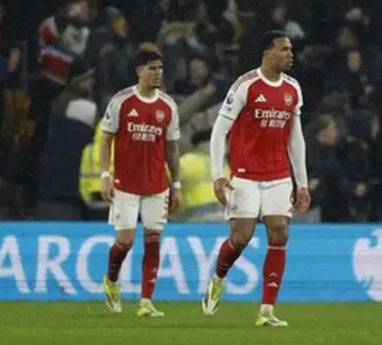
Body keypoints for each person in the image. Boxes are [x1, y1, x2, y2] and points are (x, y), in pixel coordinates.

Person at [203, 30, 311, 327]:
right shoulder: (246, 85)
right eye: (284, 49)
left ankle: (267, 310)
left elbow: (295, 138)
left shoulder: (293, 88)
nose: (290, 54)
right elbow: (219, 132)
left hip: (278, 174)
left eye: (291, 49)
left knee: (279, 232)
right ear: (267, 53)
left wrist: (301, 182)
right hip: (245, 175)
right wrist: (217, 176)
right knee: (242, 238)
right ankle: (218, 278)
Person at [99, 51, 181, 317]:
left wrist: (176, 185)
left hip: (157, 185)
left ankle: (146, 302)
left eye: (160, 68)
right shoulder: (122, 101)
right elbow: (105, 140)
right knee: (125, 243)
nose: (158, 73)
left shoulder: (168, 105)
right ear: (139, 71)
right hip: (125, 184)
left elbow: (172, 149)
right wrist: (105, 175)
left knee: (154, 241)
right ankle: (111, 279)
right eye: (152, 68)